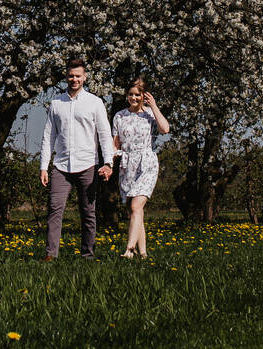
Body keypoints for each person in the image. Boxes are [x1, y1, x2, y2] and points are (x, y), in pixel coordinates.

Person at [39, 57, 114, 260]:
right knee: (54, 209)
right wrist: (44, 167)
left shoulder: (95, 103)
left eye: (78, 76)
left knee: (88, 211)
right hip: (61, 166)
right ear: (66, 76)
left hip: (88, 164)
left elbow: (105, 135)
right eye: (71, 76)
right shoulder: (56, 103)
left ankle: (87, 255)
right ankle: (50, 255)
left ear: (85, 77)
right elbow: (48, 136)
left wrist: (108, 163)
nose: (74, 79)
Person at [111, 78, 169, 258]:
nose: (133, 98)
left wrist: (154, 106)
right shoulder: (119, 116)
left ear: (144, 95)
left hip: (146, 164)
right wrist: (109, 164)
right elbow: (115, 143)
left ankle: (129, 249)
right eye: (130, 94)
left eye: (137, 95)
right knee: (134, 211)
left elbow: (165, 129)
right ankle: (143, 254)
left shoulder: (150, 114)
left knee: (136, 206)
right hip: (127, 165)